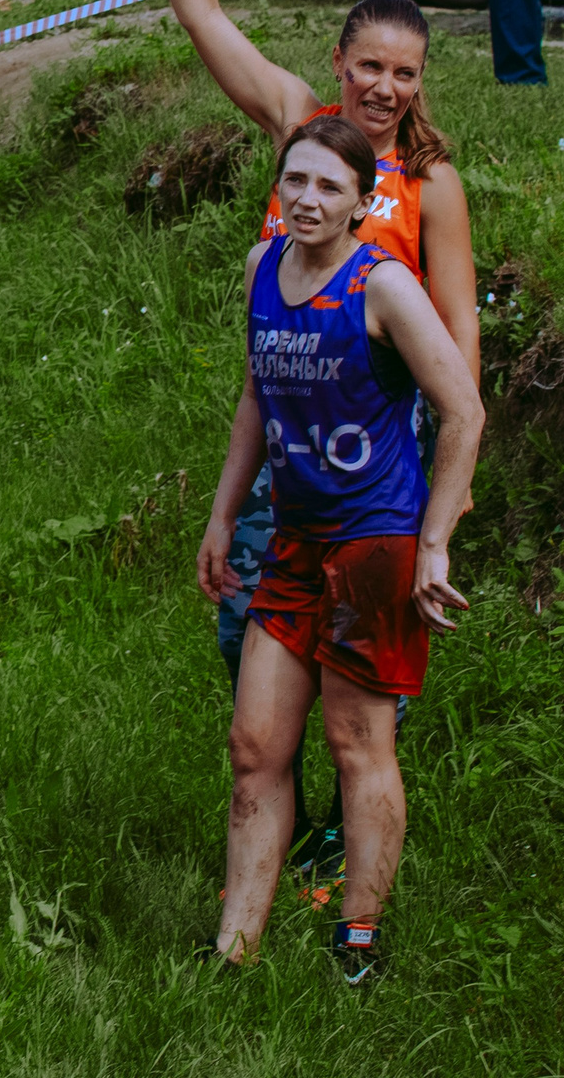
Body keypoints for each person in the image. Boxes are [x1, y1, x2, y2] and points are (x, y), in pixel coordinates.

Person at [141, 0, 479, 880]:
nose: (385, 87)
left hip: (378, 454)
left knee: (360, 663)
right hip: (282, 432)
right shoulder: (298, 126)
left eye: (405, 73)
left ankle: (343, 834)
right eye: (369, 66)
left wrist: (454, 490)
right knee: (246, 628)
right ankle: (276, 809)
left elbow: (460, 337)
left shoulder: (430, 184)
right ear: (338, 66)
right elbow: (203, 14)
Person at [195, 114, 483, 982]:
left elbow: (463, 411)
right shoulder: (263, 268)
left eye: (330, 186)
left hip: (374, 545)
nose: (309, 199)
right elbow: (258, 398)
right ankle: (234, 951)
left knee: (357, 743)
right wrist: (222, 516)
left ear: (363, 202)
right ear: (277, 188)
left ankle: (358, 939)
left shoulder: (383, 285)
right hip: (292, 540)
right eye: (296, 180)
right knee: (255, 747)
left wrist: (434, 542)